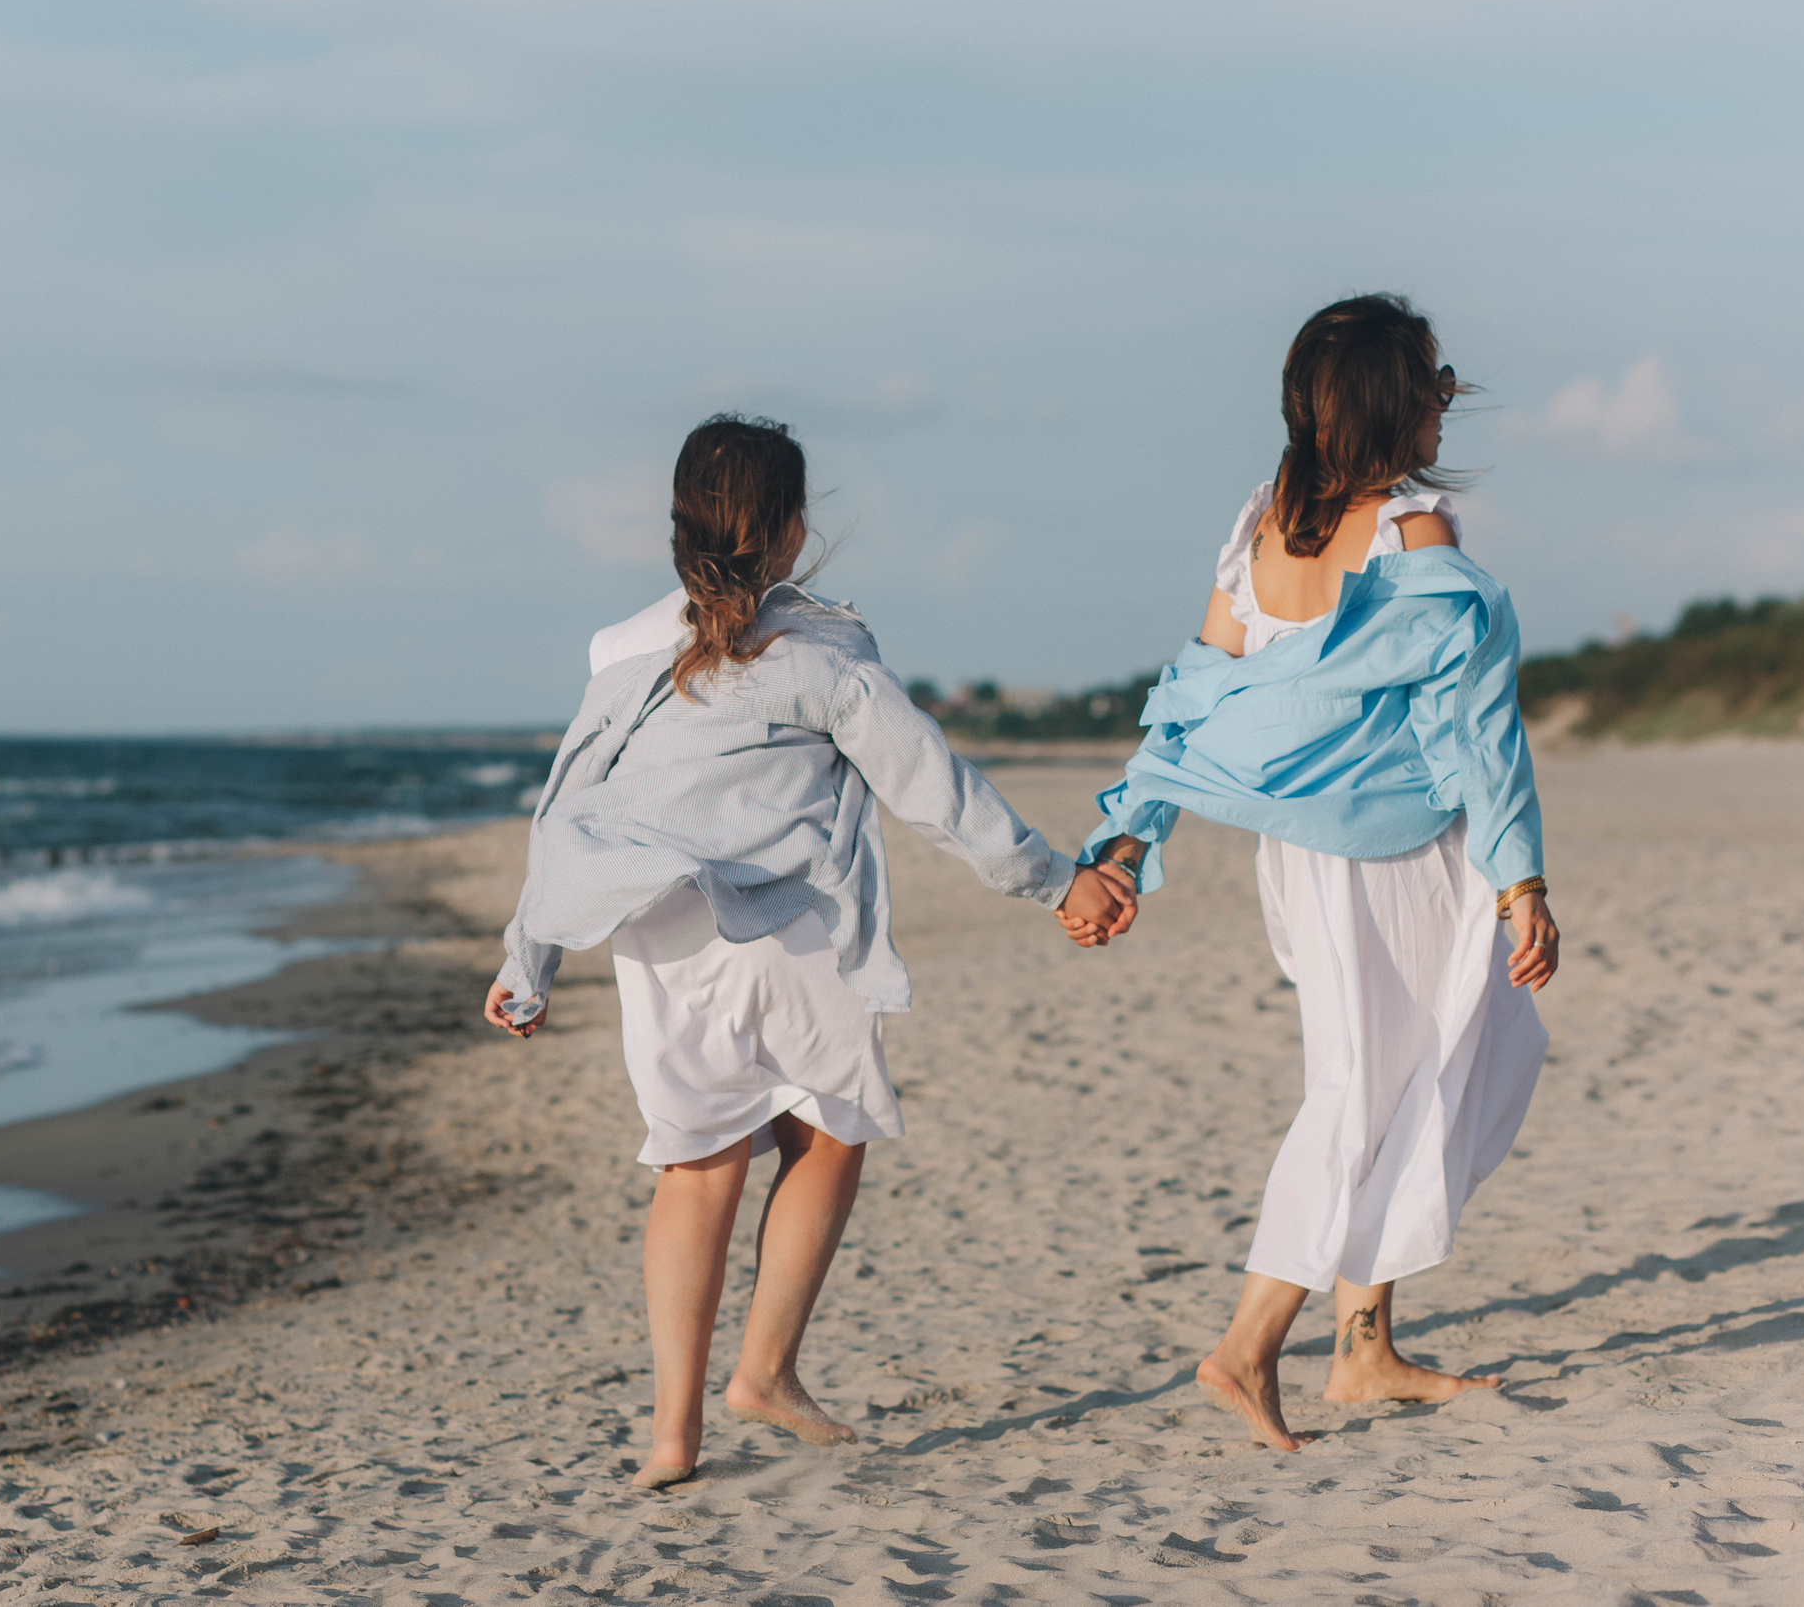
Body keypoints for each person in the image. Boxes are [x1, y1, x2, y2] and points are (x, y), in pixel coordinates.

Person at [488, 414, 1133, 1488]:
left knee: (695, 1169)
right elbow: (930, 788)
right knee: (826, 1135)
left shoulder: (618, 652)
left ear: (677, 530)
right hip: (784, 921)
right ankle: (767, 1374)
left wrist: (528, 961)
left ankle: (670, 1436)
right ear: (790, 532)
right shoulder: (826, 651)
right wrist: (1058, 879)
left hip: (657, 930)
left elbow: (565, 807)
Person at [1065, 295, 1559, 1451]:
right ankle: (1246, 1348)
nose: (1447, 398)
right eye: (1433, 381)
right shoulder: (1414, 539)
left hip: (1299, 858)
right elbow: (1478, 735)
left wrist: (1131, 835)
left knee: (1397, 1069)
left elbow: (1194, 691)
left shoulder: (1261, 520)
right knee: (1373, 1086)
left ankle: (1363, 1348)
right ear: (1395, 403)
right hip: (1397, 857)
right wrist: (1518, 881)